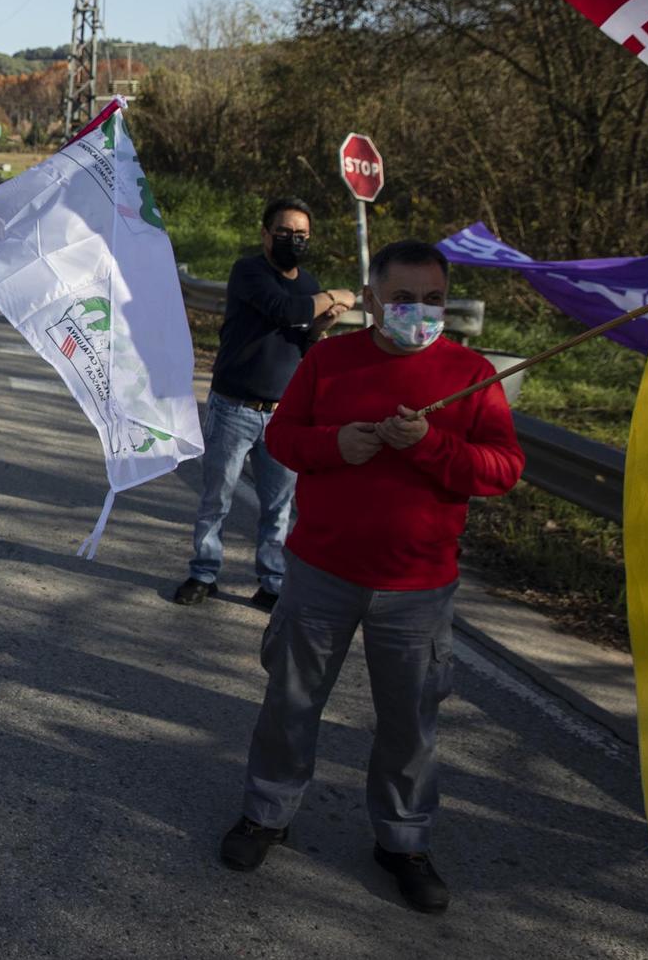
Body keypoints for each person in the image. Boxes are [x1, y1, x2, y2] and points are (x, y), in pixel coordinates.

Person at [218, 240, 523, 914]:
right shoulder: (329, 360)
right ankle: (267, 812)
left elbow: (503, 469)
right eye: (406, 299)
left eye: (436, 299)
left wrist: (431, 445)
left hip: (418, 588)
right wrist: (335, 446)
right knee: (291, 702)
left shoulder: (470, 373)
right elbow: (281, 438)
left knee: (410, 722)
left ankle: (402, 840)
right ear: (374, 299)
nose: (422, 311)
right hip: (321, 571)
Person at [175, 198, 354, 609]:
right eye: (286, 233)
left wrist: (321, 325)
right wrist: (332, 296)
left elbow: (302, 335)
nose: (294, 241)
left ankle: (272, 581)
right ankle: (204, 572)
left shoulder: (307, 284)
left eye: (303, 235)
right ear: (266, 235)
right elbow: (283, 310)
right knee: (216, 498)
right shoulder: (249, 271)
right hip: (233, 407)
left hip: (283, 415)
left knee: (278, 506)